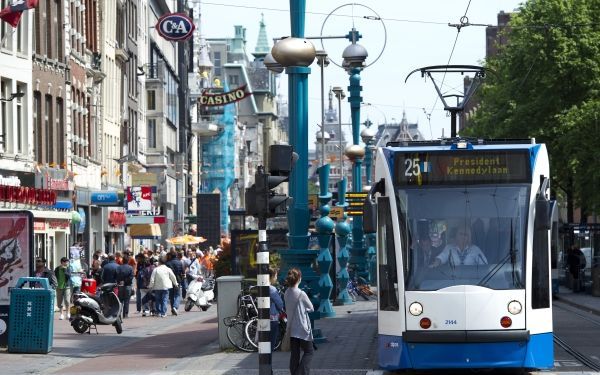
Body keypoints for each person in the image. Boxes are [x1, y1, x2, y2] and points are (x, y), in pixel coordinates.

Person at [284, 268, 314, 375]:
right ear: (299, 279)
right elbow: (311, 308)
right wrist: (304, 309)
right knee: (309, 351)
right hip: (302, 328)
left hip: (291, 327)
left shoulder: (286, 293)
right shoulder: (301, 294)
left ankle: (294, 372)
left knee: (295, 354)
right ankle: (300, 373)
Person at [269, 267, 285, 351]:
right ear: (271, 277)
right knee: (271, 342)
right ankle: (267, 363)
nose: (276, 278)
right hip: (273, 317)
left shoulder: (261, 287)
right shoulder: (272, 289)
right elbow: (280, 303)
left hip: (263, 318)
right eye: (275, 276)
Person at [165, 250, 184, 315]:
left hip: (169, 280)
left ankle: (173, 309)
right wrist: (182, 278)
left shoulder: (167, 263)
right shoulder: (180, 262)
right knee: (177, 295)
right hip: (177, 280)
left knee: (171, 295)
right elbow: (183, 272)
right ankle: (175, 307)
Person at [117, 253, 135, 318]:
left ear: (122, 261)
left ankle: (119, 313)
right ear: (128, 261)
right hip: (128, 286)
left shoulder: (119, 267)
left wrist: (120, 281)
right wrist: (126, 281)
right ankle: (125, 314)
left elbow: (117, 275)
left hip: (121, 285)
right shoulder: (130, 268)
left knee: (120, 300)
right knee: (127, 301)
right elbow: (132, 276)